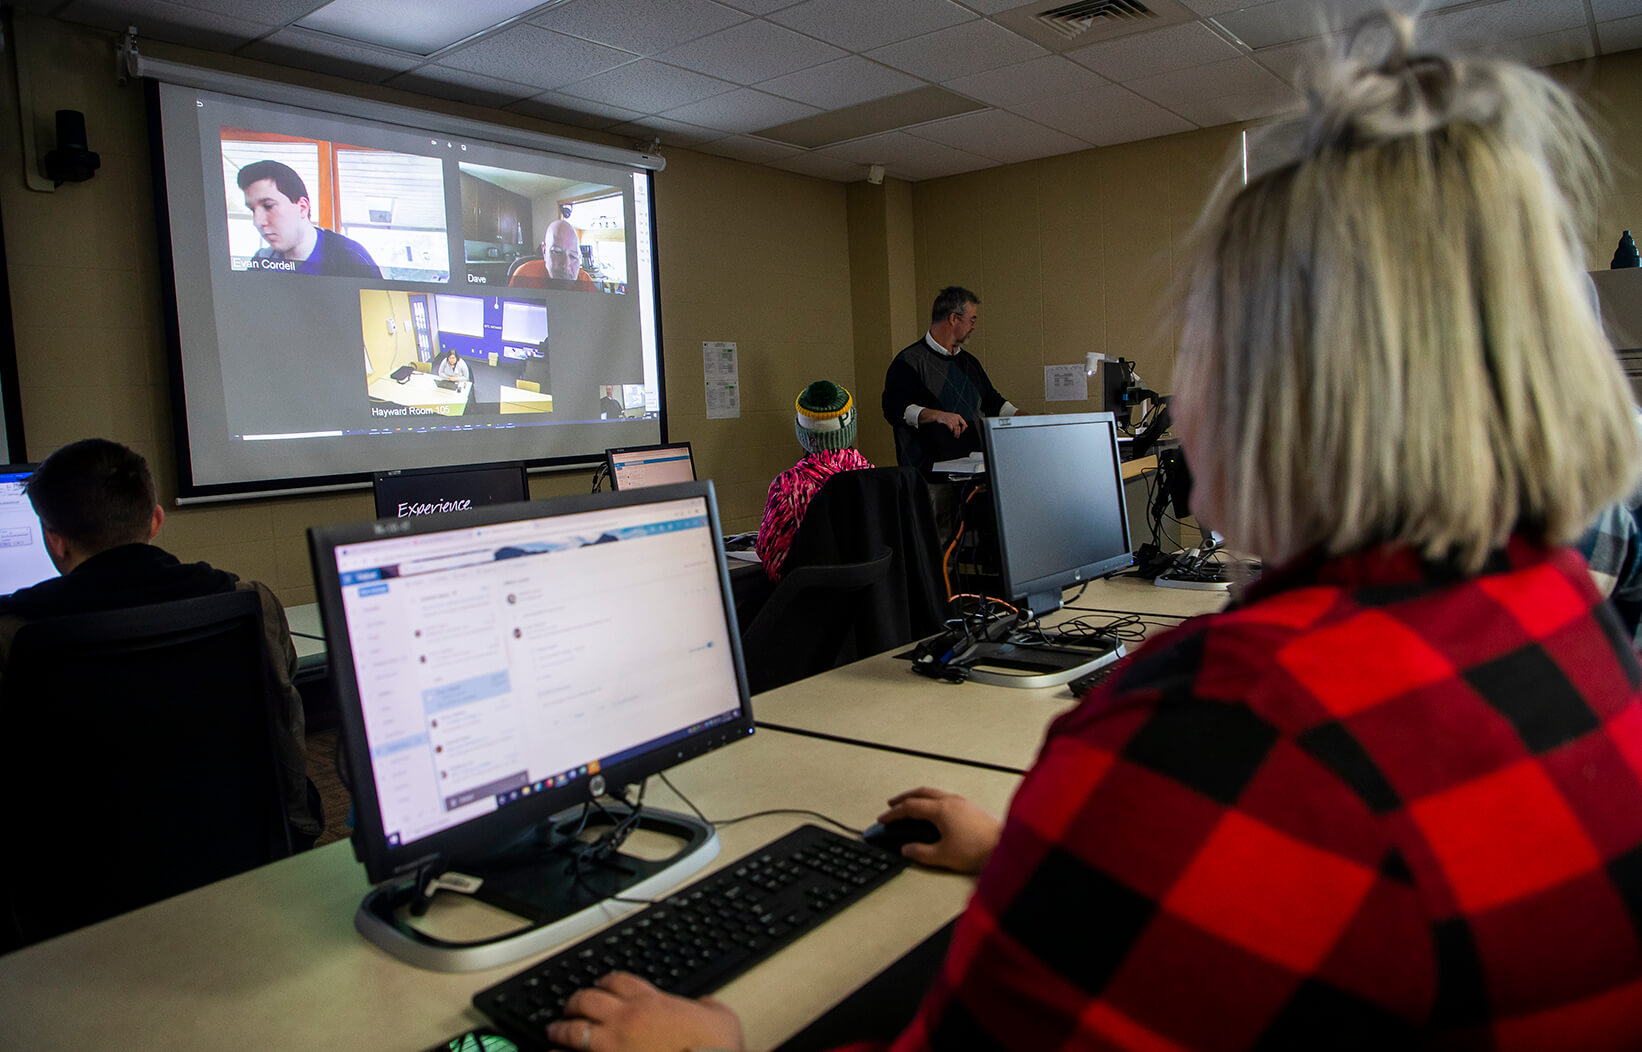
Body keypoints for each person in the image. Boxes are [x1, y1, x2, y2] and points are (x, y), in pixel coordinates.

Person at [542, 14, 1642, 1051]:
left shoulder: (1216, 732)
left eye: (1197, 343)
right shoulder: (1566, 622)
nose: (1175, 407)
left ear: (1285, 388)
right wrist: (1047, 857)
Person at [0, 439, 323, 845]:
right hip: (240, 849)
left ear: (55, 540)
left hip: (79, 883)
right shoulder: (250, 601)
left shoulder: (15, 634)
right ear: (155, 520)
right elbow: (285, 725)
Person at [881, 286, 1017, 472]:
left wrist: (1029, 419)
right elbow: (894, 408)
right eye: (971, 320)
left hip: (974, 471)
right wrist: (937, 415)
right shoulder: (908, 361)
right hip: (929, 476)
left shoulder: (970, 363)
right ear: (953, 318)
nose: (974, 327)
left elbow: (993, 403)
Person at [755, 380, 874, 581]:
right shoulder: (873, 477)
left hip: (815, 603)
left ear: (803, 435)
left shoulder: (787, 487)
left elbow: (774, 563)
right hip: (873, 604)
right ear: (850, 428)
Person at [236, 160, 381, 279]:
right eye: (252, 210)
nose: (257, 221)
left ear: (302, 207)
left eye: (268, 206)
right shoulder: (261, 262)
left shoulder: (351, 257)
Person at [508, 219, 598, 290]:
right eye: (557, 252)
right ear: (544, 251)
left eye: (573, 256)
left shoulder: (585, 282)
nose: (566, 265)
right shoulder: (524, 276)